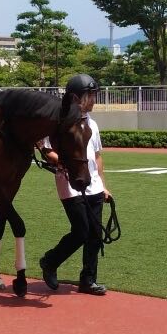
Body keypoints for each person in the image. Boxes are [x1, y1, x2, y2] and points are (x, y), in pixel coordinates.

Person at [39, 74, 111, 296]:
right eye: (90, 96)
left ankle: (88, 280)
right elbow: (45, 149)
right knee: (81, 231)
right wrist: (60, 161)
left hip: (94, 185)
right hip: (70, 183)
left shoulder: (92, 124)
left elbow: (97, 156)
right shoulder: (57, 122)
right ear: (76, 98)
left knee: (95, 234)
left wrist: (103, 185)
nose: (94, 100)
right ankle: (50, 262)